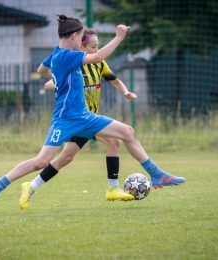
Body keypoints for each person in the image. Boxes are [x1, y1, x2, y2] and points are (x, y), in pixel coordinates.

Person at [0, 14, 185, 213]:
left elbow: (44, 69)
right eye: (80, 37)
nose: (81, 41)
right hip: (65, 120)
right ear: (74, 36)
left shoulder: (57, 55)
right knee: (41, 162)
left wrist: (59, 78)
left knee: (127, 133)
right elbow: (97, 57)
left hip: (85, 117)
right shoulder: (65, 56)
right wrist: (119, 37)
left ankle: (157, 175)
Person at [19, 27, 138, 208]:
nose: (97, 51)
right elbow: (50, 82)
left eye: (98, 47)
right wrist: (56, 83)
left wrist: (126, 91)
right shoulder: (74, 65)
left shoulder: (99, 64)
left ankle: (32, 186)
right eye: (93, 47)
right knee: (114, 141)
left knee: (65, 159)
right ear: (81, 47)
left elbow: (114, 80)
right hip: (78, 119)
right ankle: (112, 188)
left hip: (89, 120)